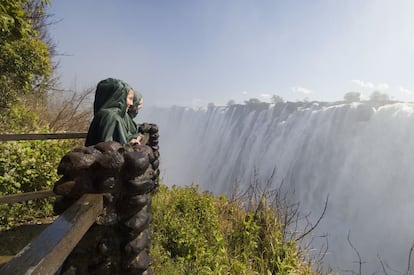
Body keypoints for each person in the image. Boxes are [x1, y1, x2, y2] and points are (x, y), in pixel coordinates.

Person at [85, 78, 143, 146]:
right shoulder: (111, 117)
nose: (131, 103)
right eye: (129, 98)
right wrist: (129, 145)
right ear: (119, 97)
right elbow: (108, 148)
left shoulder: (104, 114)